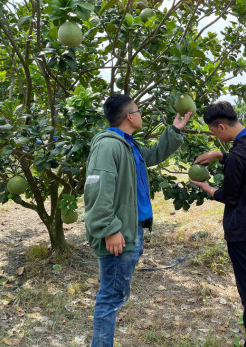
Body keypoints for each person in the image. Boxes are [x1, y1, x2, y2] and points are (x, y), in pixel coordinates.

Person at [84, 94, 191, 347]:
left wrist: (174, 131)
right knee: (110, 298)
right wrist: (109, 229)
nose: (141, 114)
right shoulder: (109, 145)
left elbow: (152, 155)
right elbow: (97, 190)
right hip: (118, 234)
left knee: (115, 295)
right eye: (138, 111)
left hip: (132, 230)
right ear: (130, 116)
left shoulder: (128, 145)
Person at [190, 101, 246, 346]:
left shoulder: (238, 155)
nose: (214, 135)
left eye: (213, 131)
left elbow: (229, 196)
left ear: (220, 126)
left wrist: (207, 188)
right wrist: (221, 155)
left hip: (242, 229)